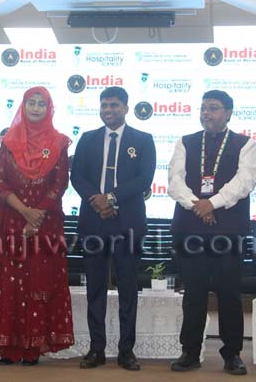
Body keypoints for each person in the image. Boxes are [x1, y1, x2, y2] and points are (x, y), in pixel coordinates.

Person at [0, 86, 74, 365]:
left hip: (46, 224)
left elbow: (60, 183)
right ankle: (8, 346)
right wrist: (25, 212)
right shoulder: (8, 141)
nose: (35, 108)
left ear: (49, 109)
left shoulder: (59, 143)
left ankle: (33, 347)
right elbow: (0, 183)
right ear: (23, 106)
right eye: (31, 102)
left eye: (41, 104)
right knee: (9, 282)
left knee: (39, 281)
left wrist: (37, 215)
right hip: (11, 222)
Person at [167, 89, 256, 375]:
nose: (206, 113)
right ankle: (190, 351)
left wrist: (212, 203)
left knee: (229, 293)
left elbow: (245, 181)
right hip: (191, 229)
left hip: (227, 231)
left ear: (228, 113)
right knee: (193, 293)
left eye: (214, 108)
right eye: (203, 108)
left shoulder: (245, 143)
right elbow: (174, 181)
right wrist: (197, 205)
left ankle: (232, 354)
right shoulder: (186, 142)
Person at [70, 86, 156, 371]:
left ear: (126, 108)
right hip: (93, 221)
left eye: (114, 105)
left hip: (127, 223)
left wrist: (111, 198)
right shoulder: (87, 139)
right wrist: (97, 200)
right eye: (104, 105)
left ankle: (126, 351)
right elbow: (77, 176)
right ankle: (96, 349)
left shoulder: (143, 140)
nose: (108, 110)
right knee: (95, 288)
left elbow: (144, 179)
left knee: (128, 289)